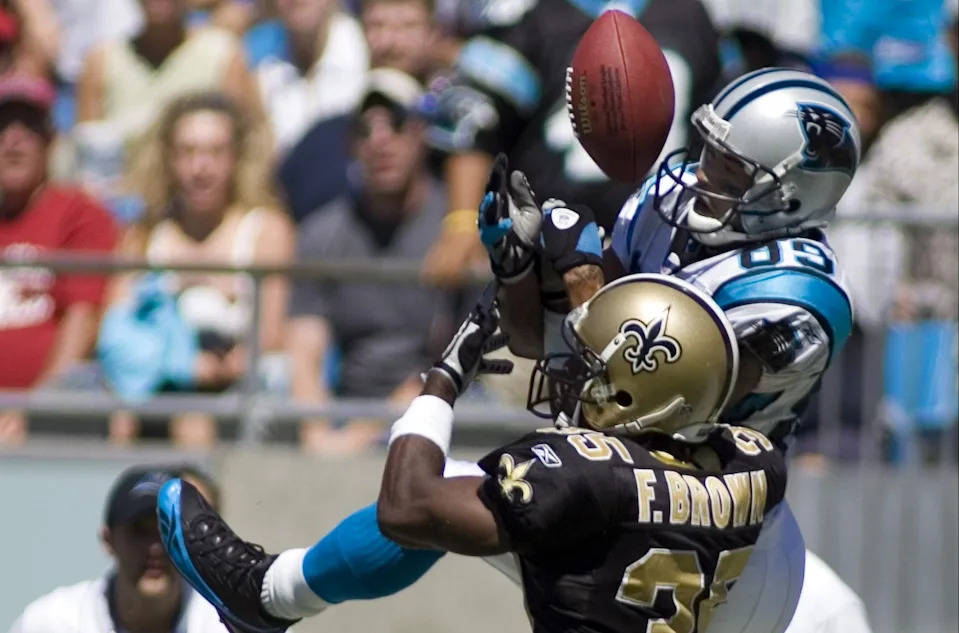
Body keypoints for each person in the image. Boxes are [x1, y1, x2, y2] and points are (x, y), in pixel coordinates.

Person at [160, 273, 789, 633]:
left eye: (595, 371)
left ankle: (265, 594)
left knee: (450, 487)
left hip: (611, 542)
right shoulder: (757, 462)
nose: (575, 379)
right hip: (726, 602)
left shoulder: (582, 475)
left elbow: (404, 507)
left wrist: (442, 381)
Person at [419, 0, 722, 287]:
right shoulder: (533, 16)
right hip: (551, 248)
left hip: (663, 243)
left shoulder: (689, 14)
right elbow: (476, 121)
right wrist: (461, 222)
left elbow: (717, 127)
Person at [98, 91, 293, 447]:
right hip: (153, 381)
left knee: (192, 418)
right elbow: (115, 327)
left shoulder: (266, 230)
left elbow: (271, 336)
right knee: (119, 408)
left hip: (236, 386)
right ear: (168, 159)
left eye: (215, 152)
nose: (201, 168)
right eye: (187, 152)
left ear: (235, 158)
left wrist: (214, 368)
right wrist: (181, 362)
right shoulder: (143, 235)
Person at [288, 68, 454, 454]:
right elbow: (304, 353)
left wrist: (354, 438)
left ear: (421, 134)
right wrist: (316, 434)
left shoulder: (454, 232)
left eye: (396, 124)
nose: (380, 141)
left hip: (443, 413)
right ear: (351, 144)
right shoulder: (321, 233)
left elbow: (456, 363)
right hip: (346, 410)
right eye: (365, 130)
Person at [0, 74, 118, 444]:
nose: (14, 139)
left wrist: (32, 410)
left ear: (50, 141)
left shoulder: (79, 213)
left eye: (29, 127)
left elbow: (82, 321)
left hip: (50, 416)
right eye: (3, 126)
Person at [8, 464, 225, 633]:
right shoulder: (52, 622)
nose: (156, 547)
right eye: (139, 531)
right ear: (108, 541)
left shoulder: (221, 624)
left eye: (167, 531)